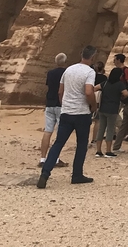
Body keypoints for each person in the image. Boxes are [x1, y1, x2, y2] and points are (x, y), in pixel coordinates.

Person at [37, 45, 99, 188]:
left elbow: (60, 91)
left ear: (81, 54)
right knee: (81, 145)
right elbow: (89, 92)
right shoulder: (89, 72)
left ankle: (45, 173)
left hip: (66, 111)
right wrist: (93, 106)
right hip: (81, 113)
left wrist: (64, 104)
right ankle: (77, 174)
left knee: (58, 143)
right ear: (93, 57)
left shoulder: (68, 70)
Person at [40, 53, 69, 168]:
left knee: (47, 131)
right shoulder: (67, 73)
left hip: (50, 103)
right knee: (59, 133)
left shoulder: (50, 73)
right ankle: (55, 159)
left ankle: (43, 158)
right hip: (61, 104)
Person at [95, 67, 127, 157]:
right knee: (110, 129)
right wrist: (120, 98)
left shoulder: (105, 83)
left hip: (102, 108)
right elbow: (126, 94)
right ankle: (108, 150)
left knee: (101, 129)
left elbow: (95, 88)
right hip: (112, 109)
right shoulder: (119, 84)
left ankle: (98, 150)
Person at [89, 61, 107, 144]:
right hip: (99, 98)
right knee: (97, 120)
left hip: (90, 96)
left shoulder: (92, 76)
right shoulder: (104, 78)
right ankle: (94, 139)